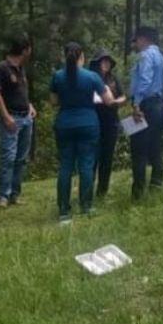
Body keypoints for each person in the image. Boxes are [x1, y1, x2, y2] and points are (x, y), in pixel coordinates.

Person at [49, 42, 107, 223]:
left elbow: (53, 101)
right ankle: (86, 205)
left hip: (65, 123)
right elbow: (108, 99)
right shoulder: (92, 77)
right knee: (86, 165)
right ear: (82, 56)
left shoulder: (57, 76)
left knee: (66, 166)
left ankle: (64, 211)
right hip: (88, 123)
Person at [0, 35, 35, 207]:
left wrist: (30, 105)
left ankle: (15, 194)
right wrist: (6, 116)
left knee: (21, 158)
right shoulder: (2, 68)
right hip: (11, 117)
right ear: (24, 50)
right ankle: (3, 195)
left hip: (26, 117)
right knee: (8, 157)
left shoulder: (21, 68)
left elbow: (21, 91)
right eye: (29, 48)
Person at [128, 26, 163, 198]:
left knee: (138, 149)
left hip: (146, 105)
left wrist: (136, 104)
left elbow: (144, 80)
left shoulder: (145, 55)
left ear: (143, 39)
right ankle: (156, 184)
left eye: (136, 40)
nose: (135, 44)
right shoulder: (162, 58)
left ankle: (138, 191)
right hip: (159, 104)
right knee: (155, 146)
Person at [90, 48, 127, 197]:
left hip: (111, 121)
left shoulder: (113, 79)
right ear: (97, 63)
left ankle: (102, 190)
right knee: (93, 157)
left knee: (107, 156)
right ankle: (88, 188)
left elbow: (124, 96)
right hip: (94, 120)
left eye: (108, 61)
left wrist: (115, 102)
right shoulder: (91, 78)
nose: (106, 64)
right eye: (103, 61)